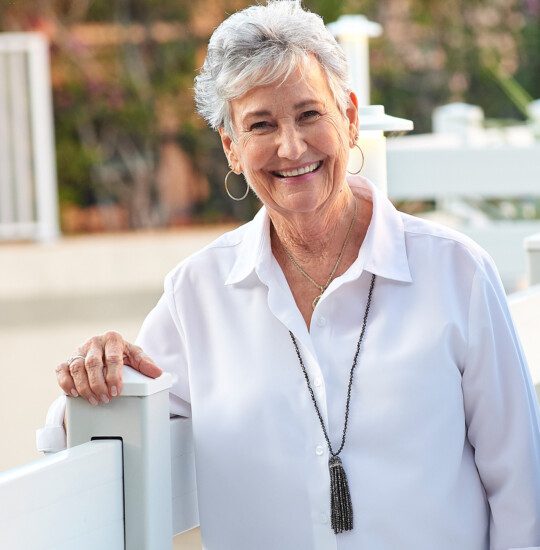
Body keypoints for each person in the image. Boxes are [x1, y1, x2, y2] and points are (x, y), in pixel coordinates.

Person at [38, 1, 540, 549]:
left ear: (349, 116)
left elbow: (522, 490)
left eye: (309, 114)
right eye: (261, 125)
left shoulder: (456, 271)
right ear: (231, 147)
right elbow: (89, 436)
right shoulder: (197, 294)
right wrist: (97, 372)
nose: (292, 147)